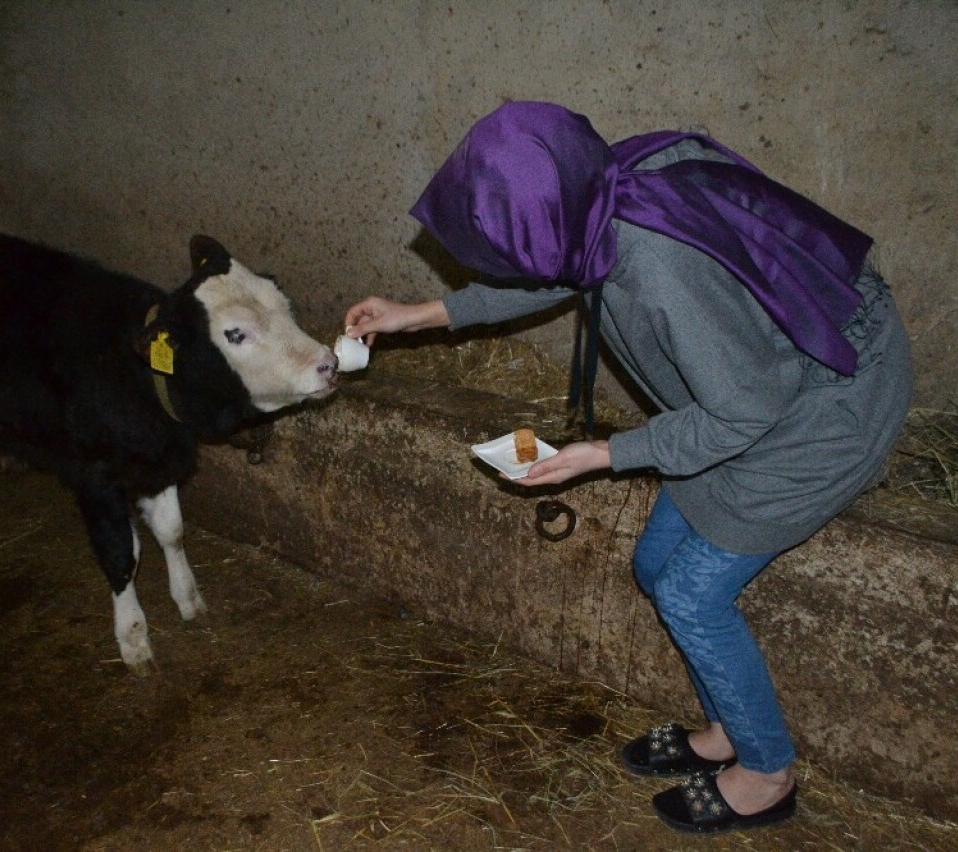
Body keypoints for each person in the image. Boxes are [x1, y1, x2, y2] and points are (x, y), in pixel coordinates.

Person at [344, 101, 912, 835]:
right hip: (758, 384)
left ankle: (768, 769)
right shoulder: (603, 189)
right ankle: (728, 729)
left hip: (826, 403)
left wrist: (606, 454)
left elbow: (745, 410)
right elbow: (555, 270)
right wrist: (420, 314)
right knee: (655, 565)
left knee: (690, 595)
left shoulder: (660, 267)